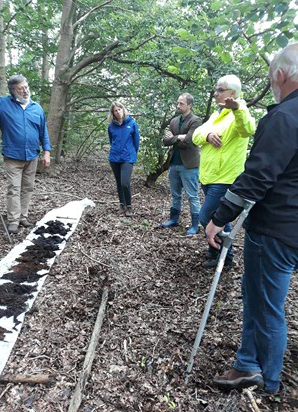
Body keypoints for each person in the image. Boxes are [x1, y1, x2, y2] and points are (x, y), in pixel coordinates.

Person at [206, 42, 298, 394]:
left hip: (277, 229)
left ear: (280, 74)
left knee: (264, 302)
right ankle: (249, 361)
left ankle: (263, 378)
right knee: (266, 300)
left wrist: (219, 217)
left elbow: (258, 176)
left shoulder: (284, 117)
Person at [192, 75, 255, 268]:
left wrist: (237, 109)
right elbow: (195, 135)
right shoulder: (215, 115)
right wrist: (208, 135)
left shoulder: (239, 114)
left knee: (205, 217)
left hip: (225, 178)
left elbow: (248, 129)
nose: (216, 93)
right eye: (216, 89)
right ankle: (219, 255)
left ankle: (223, 257)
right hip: (208, 176)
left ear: (233, 94)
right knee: (220, 219)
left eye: (220, 90)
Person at [0, 74, 51, 234]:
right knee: (14, 188)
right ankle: (13, 221)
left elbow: (43, 132)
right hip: (12, 157)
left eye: (26, 87)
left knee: (27, 188)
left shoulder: (36, 108)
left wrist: (47, 152)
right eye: (20, 89)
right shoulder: (2, 104)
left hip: (32, 155)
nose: (25, 91)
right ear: (13, 91)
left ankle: (23, 216)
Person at [161, 93, 202, 235]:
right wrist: (178, 137)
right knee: (175, 194)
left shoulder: (196, 121)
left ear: (189, 105)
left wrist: (174, 137)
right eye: (178, 103)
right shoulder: (174, 121)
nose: (178, 106)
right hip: (174, 163)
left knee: (192, 195)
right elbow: (165, 141)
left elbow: (189, 141)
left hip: (189, 164)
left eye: (181, 104)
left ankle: (195, 225)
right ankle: (174, 219)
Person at [108, 101, 140, 217]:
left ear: (123, 109)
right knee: (118, 182)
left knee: (125, 183)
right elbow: (112, 141)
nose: (118, 112)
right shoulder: (111, 126)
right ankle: (122, 204)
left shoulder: (132, 123)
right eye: (115, 111)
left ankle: (129, 206)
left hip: (128, 157)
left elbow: (136, 142)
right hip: (114, 158)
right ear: (113, 113)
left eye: (119, 109)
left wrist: (132, 154)